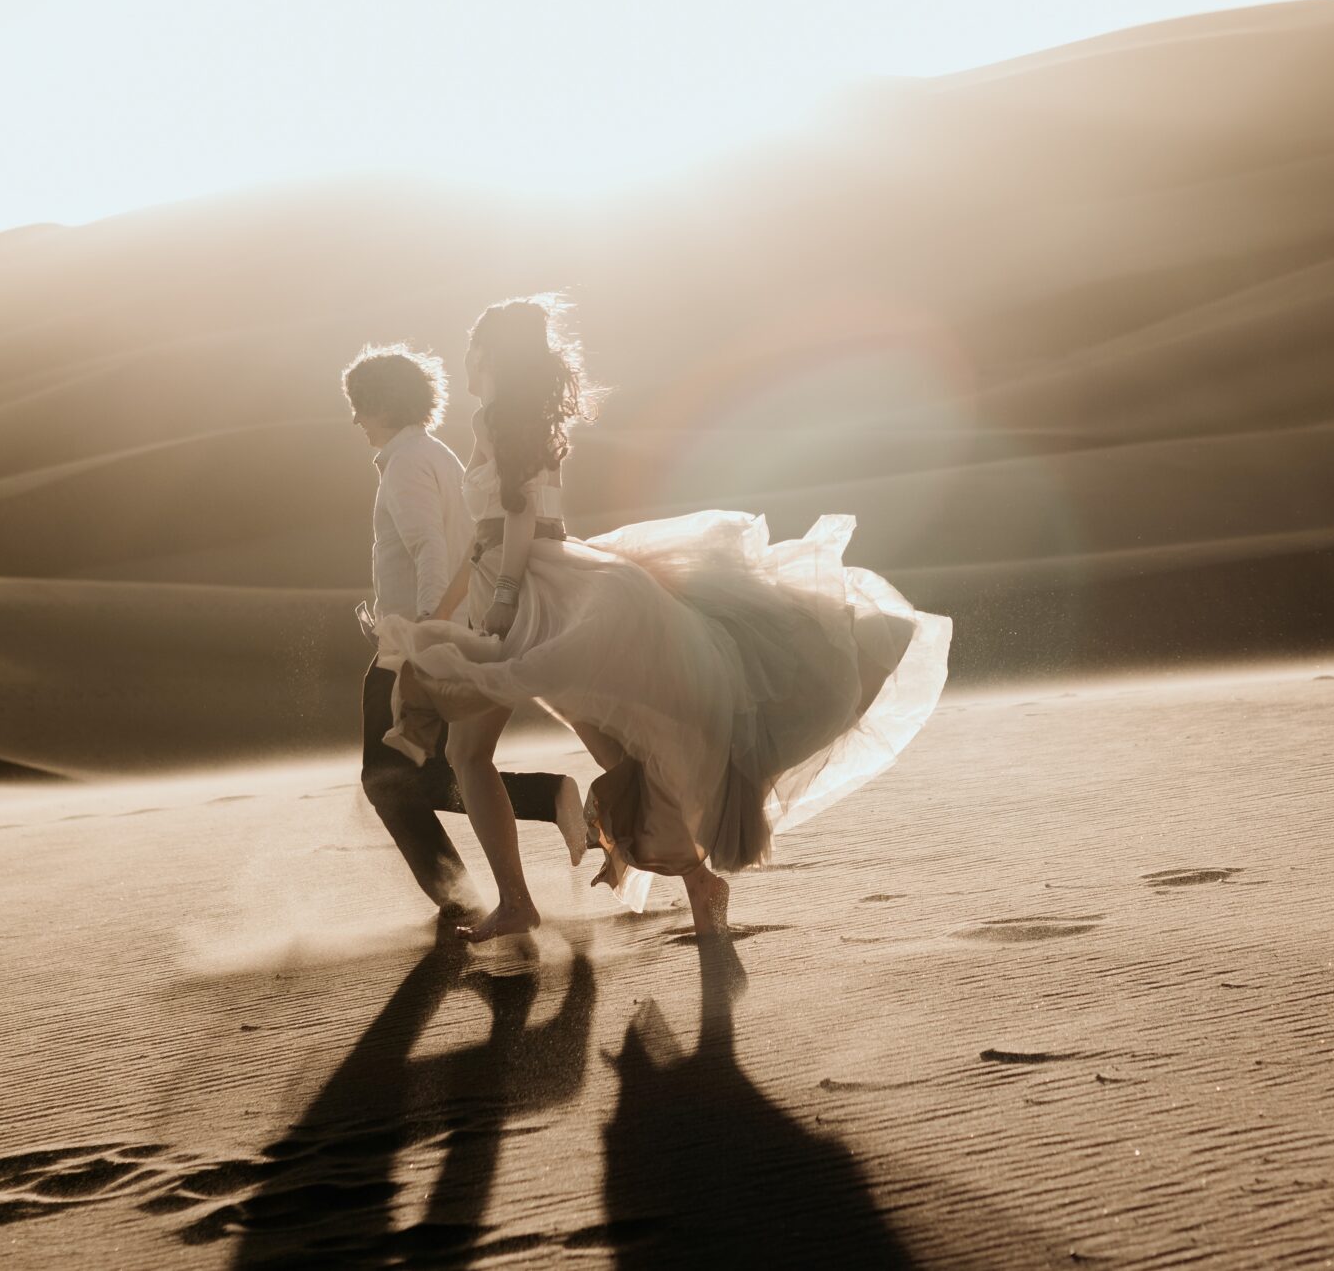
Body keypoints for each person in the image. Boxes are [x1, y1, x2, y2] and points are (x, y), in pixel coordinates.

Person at [371, 297, 952, 943]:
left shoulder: (490, 420)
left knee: (470, 751)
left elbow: (514, 518)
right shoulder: (532, 418)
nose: (467, 358)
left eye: (473, 346)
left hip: (524, 595)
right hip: (551, 584)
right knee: (619, 742)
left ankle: (519, 902)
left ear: (490, 354)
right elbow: (504, 531)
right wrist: (444, 610)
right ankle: (696, 881)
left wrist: (501, 599)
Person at [343, 345, 585, 917]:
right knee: (429, 768)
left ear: (378, 405)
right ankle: (531, 821)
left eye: (358, 405)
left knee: (388, 778)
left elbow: (430, 546)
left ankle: (465, 903)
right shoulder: (437, 456)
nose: (354, 420)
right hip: (440, 631)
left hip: (417, 644)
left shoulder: (405, 466)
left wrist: (425, 636)